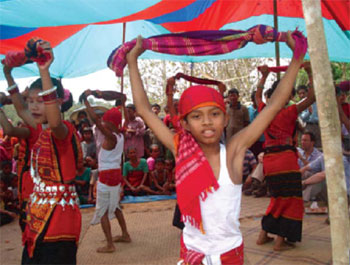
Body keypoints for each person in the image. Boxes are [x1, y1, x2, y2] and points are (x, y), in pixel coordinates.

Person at [126, 31, 305, 263]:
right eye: (197, 116)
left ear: (226, 119)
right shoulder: (180, 148)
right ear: (186, 124)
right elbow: (143, 109)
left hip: (229, 254)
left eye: (214, 114)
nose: (207, 121)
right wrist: (132, 62)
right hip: (191, 252)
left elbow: (273, 107)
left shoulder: (234, 151)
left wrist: (296, 59)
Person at [13, 41, 83, 264]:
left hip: (59, 222)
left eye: (40, 101)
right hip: (37, 217)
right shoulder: (38, 132)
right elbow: (21, 109)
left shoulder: (63, 132)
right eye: (31, 101)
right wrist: (7, 72)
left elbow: (54, 121)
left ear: (58, 102)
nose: (33, 106)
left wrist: (44, 71)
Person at [255, 61, 315, 251]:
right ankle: (280, 241)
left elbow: (257, 95)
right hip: (286, 160)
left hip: (270, 161)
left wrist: (264, 76)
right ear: (287, 96)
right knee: (291, 199)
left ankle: (263, 235)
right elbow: (313, 97)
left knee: (277, 197)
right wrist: (310, 71)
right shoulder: (290, 111)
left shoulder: (264, 110)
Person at [82, 90, 131, 253]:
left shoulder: (111, 136)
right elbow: (126, 117)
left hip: (107, 175)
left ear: (109, 122)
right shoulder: (121, 132)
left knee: (102, 210)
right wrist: (123, 103)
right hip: (116, 174)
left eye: (105, 121)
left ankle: (110, 244)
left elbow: (95, 119)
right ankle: (125, 234)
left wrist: (86, 102)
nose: (102, 122)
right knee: (115, 206)